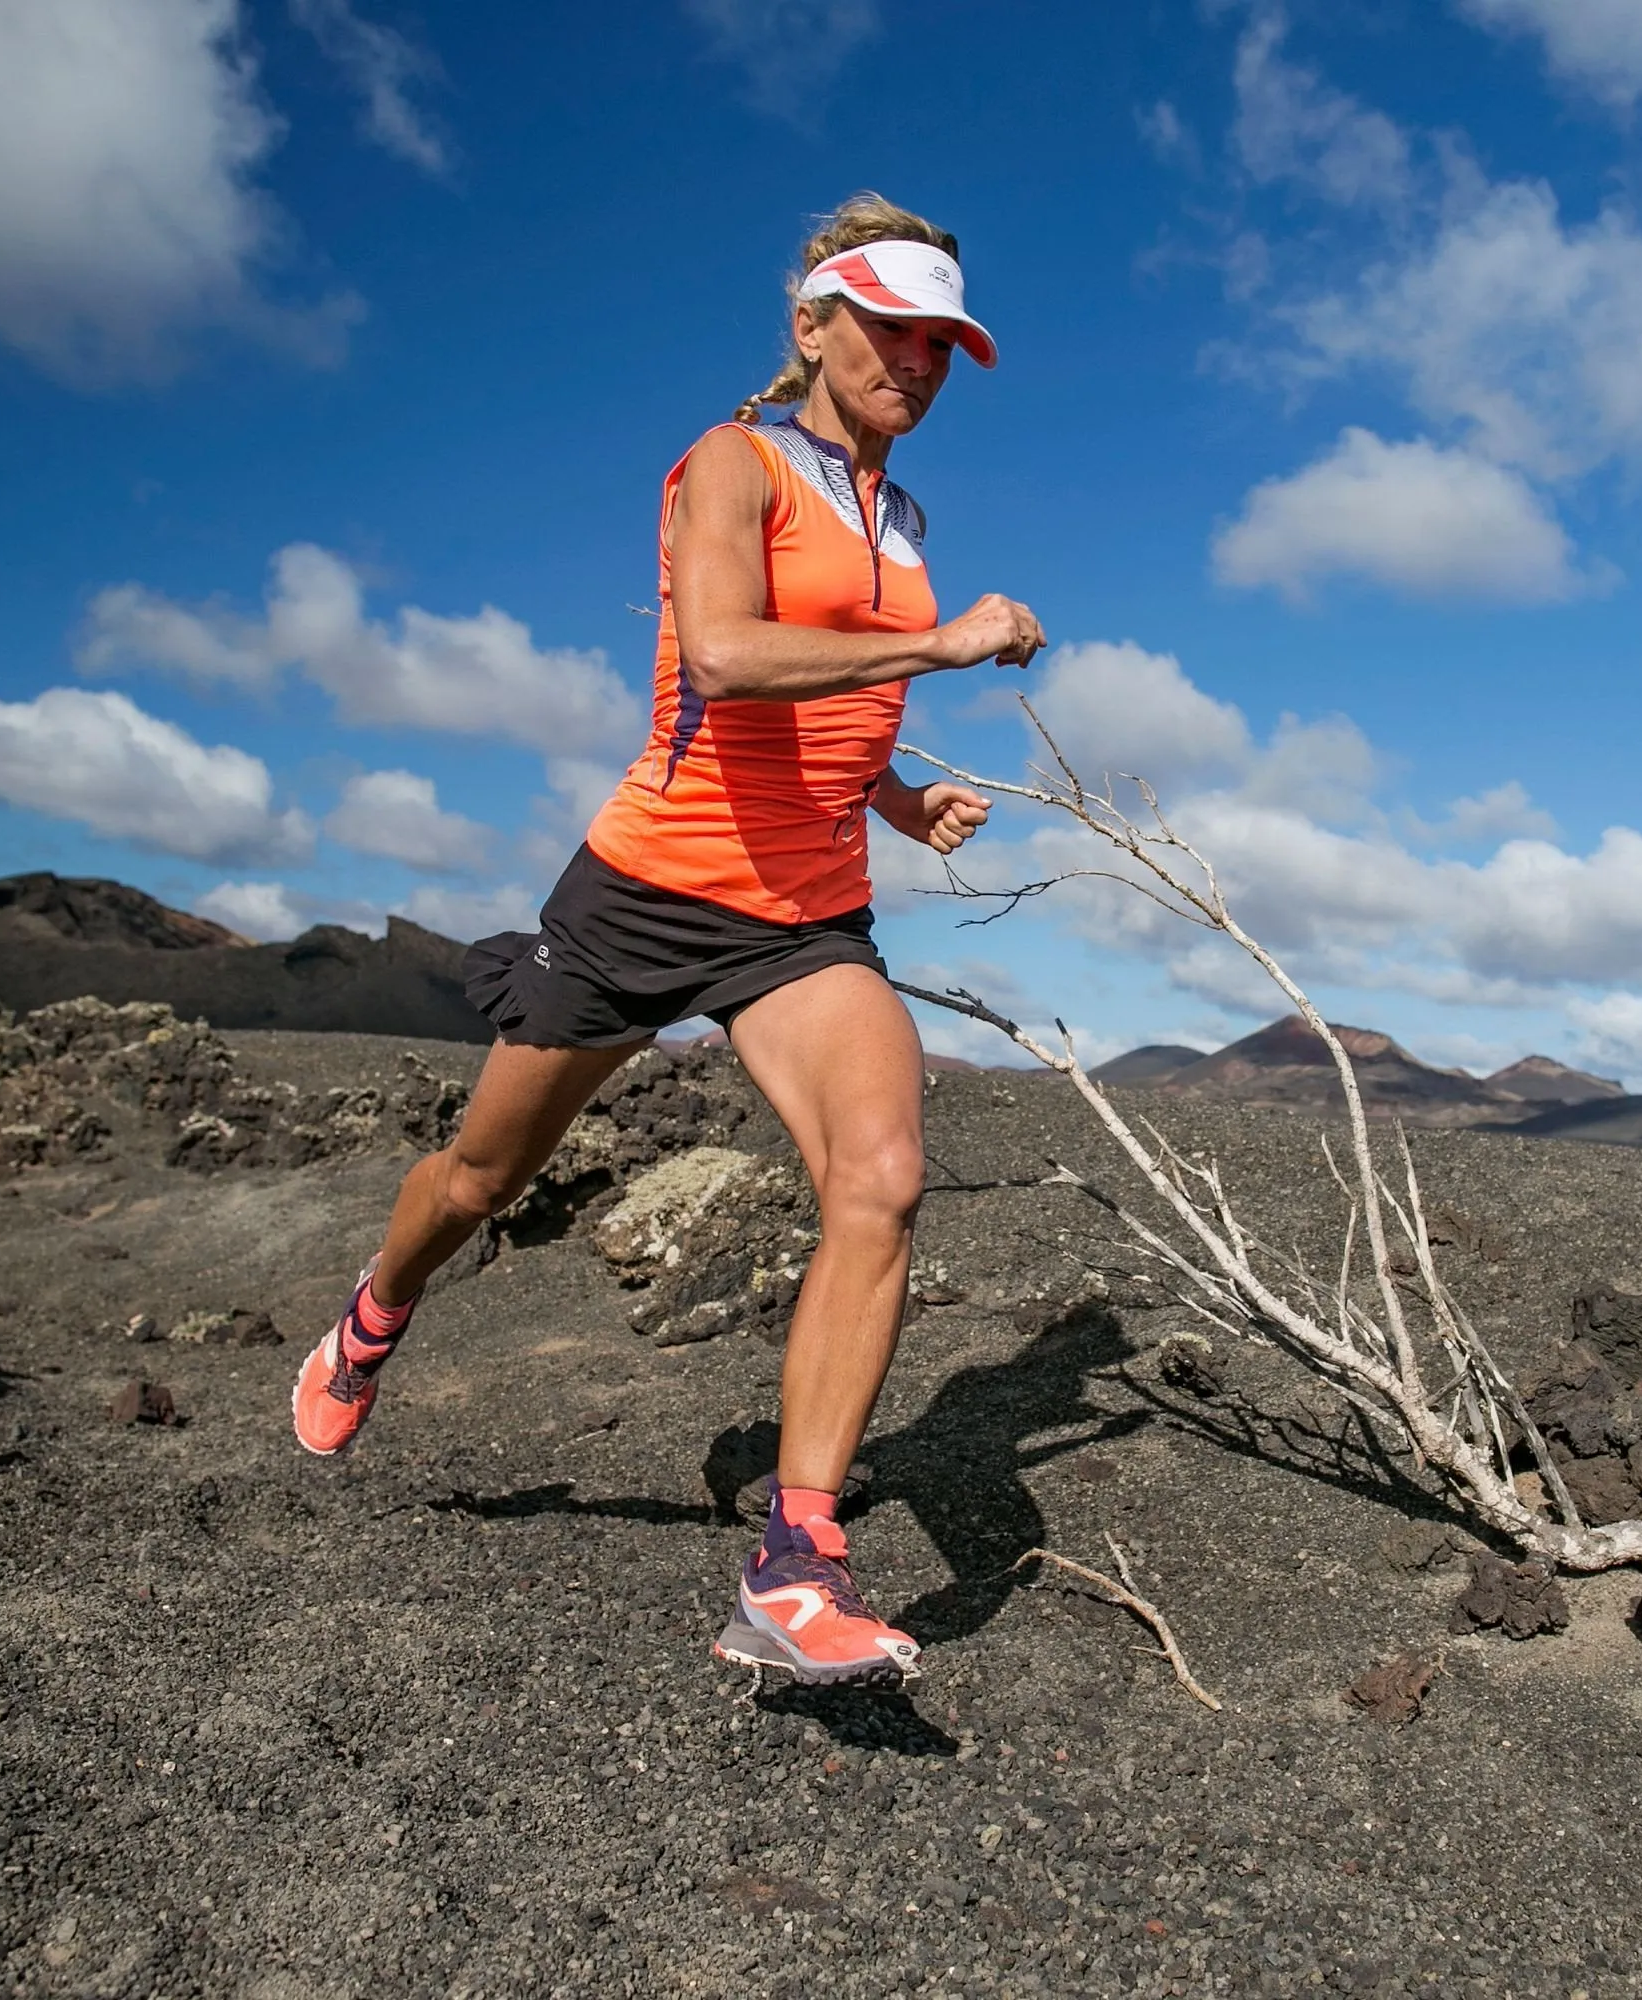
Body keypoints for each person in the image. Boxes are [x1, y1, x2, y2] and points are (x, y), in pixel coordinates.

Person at [291, 192, 1044, 1688]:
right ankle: (377, 1314)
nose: (916, 358)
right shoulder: (730, 463)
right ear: (814, 325)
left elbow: (834, 706)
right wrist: (941, 643)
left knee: (881, 1180)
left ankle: (798, 1561)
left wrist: (896, 799)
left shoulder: (903, 516)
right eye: (889, 326)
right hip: (648, 894)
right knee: (481, 1178)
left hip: (806, 919)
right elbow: (723, 655)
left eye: (941, 339)